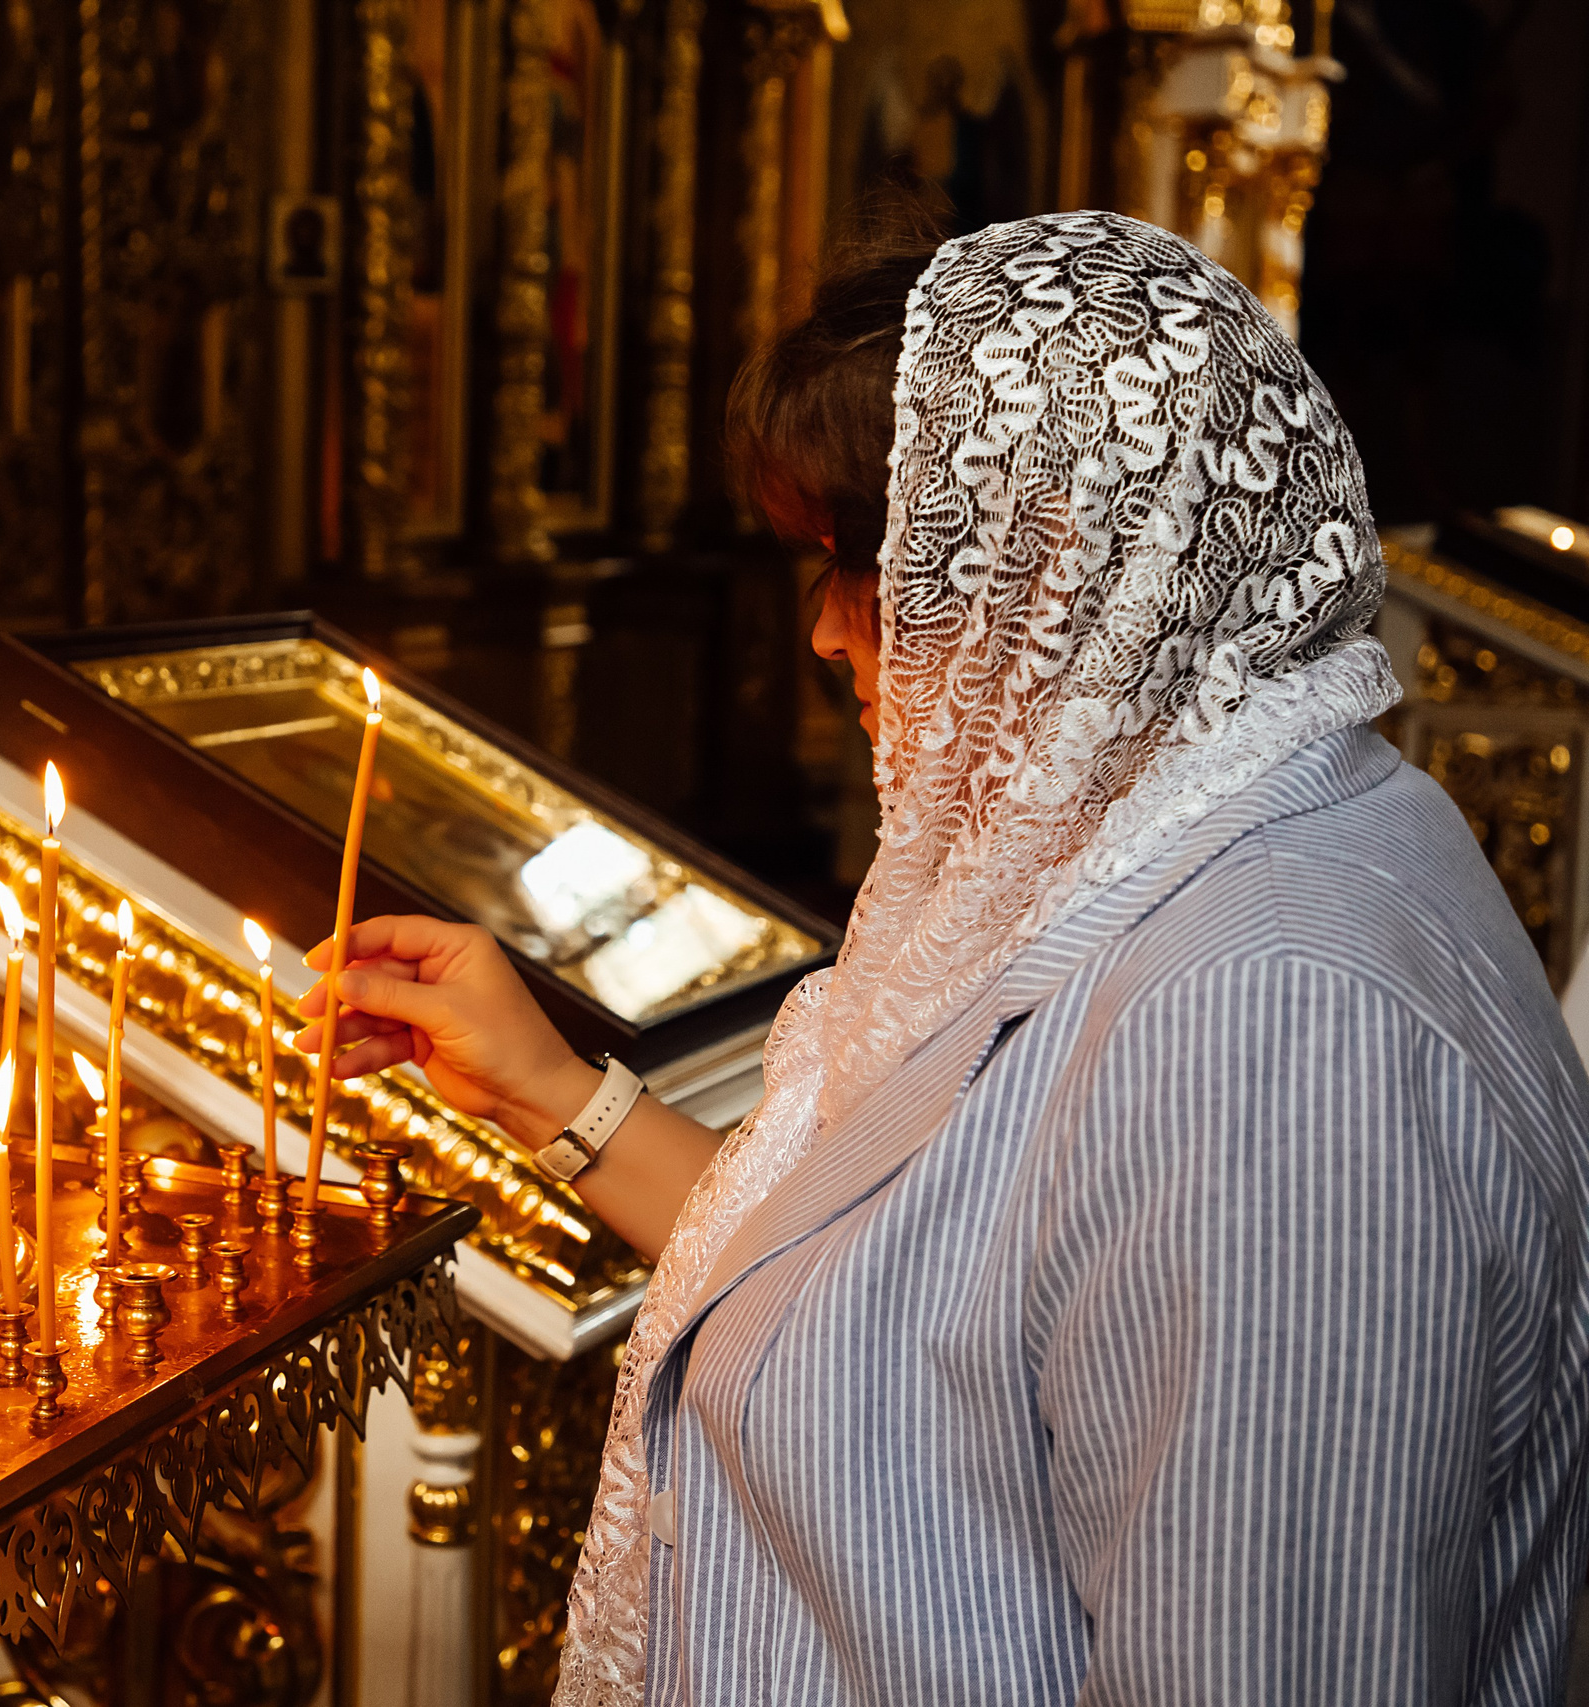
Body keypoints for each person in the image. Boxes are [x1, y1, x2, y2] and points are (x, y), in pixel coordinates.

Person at [302, 210, 1589, 1703]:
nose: (831, 635)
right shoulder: (1185, 835)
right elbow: (907, 1314)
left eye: (875, 564)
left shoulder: (1270, 1028)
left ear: (1067, 568)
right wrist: (548, 1092)